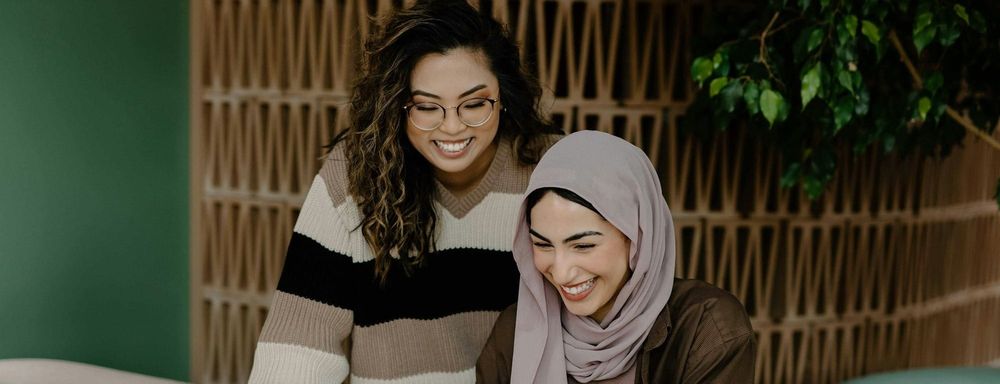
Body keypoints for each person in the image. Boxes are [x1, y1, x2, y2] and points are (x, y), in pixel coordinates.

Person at [247, 0, 559, 382]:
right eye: (427, 107)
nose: (452, 128)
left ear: (503, 97)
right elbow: (300, 343)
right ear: (397, 106)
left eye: (474, 104)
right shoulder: (354, 176)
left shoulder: (549, 170)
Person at [476, 131, 756, 384]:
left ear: (636, 237)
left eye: (583, 245)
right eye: (543, 245)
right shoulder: (516, 332)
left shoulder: (705, 330)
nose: (561, 273)